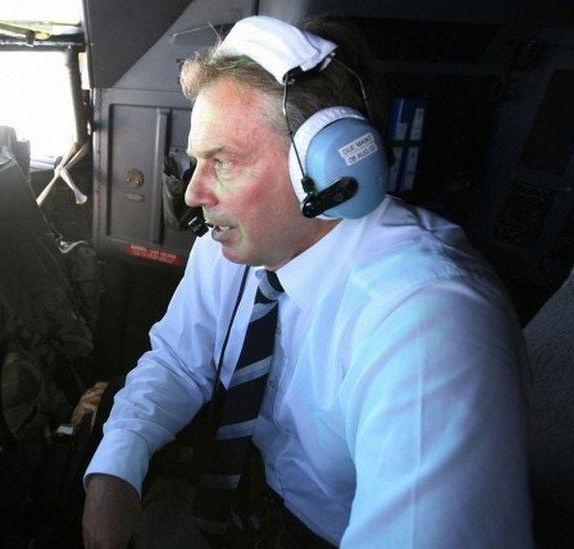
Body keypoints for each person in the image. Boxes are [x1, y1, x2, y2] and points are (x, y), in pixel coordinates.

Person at [82, 15, 532, 548]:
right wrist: (117, 467)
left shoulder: (429, 324)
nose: (193, 194)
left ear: (321, 168)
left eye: (223, 161)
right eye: (197, 160)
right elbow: (180, 360)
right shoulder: (229, 247)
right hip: (253, 499)